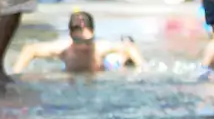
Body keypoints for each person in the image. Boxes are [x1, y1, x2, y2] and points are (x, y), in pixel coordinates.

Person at [14, 10, 144, 73]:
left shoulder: (99, 47)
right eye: (78, 41)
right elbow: (30, 49)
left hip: (104, 67)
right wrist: (16, 74)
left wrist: (143, 68)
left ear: (93, 34)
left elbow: (129, 47)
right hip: (71, 69)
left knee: (122, 61)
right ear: (71, 36)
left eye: (87, 41)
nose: (82, 46)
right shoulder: (65, 48)